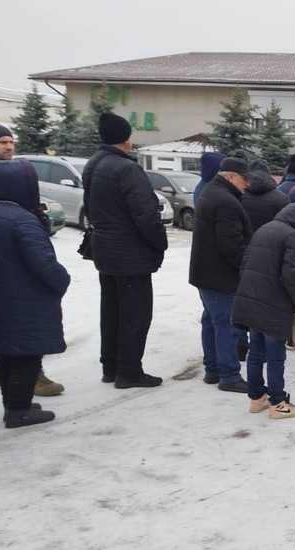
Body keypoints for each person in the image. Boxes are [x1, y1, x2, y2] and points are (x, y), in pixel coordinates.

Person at [0, 122, 64, 397]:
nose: (9, 146)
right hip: (9, 258)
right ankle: (30, 377)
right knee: (19, 317)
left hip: (0, 257)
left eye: (11, 142)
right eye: (2, 142)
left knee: (7, 315)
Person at [83, 112, 168, 389]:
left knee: (111, 311)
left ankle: (111, 366)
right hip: (130, 254)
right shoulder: (126, 169)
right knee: (135, 315)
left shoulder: (94, 164)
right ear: (126, 138)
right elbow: (145, 214)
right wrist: (159, 243)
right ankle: (129, 371)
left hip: (105, 250)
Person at [231, 202, 295, 419]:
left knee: (256, 352)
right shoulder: (292, 237)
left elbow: (244, 265)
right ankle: (278, 403)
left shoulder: (265, 229)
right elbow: (290, 276)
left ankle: (257, 398)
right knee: (275, 356)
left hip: (252, 300)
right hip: (273, 305)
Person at [189, 156, 253, 392]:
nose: (247, 184)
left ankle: (213, 369)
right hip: (219, 275)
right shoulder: (225, 200)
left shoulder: (210, 192)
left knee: (211, 320)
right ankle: (229, 375)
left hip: (206, 273)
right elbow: (232, 245)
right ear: (231, 176)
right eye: (244, 179)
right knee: (225, 324)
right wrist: (247, 268)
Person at [242, 158, 290, 233]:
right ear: (268, 174)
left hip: (242, 241)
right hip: (270, 241)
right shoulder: (282, 198)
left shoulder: (237, 195)